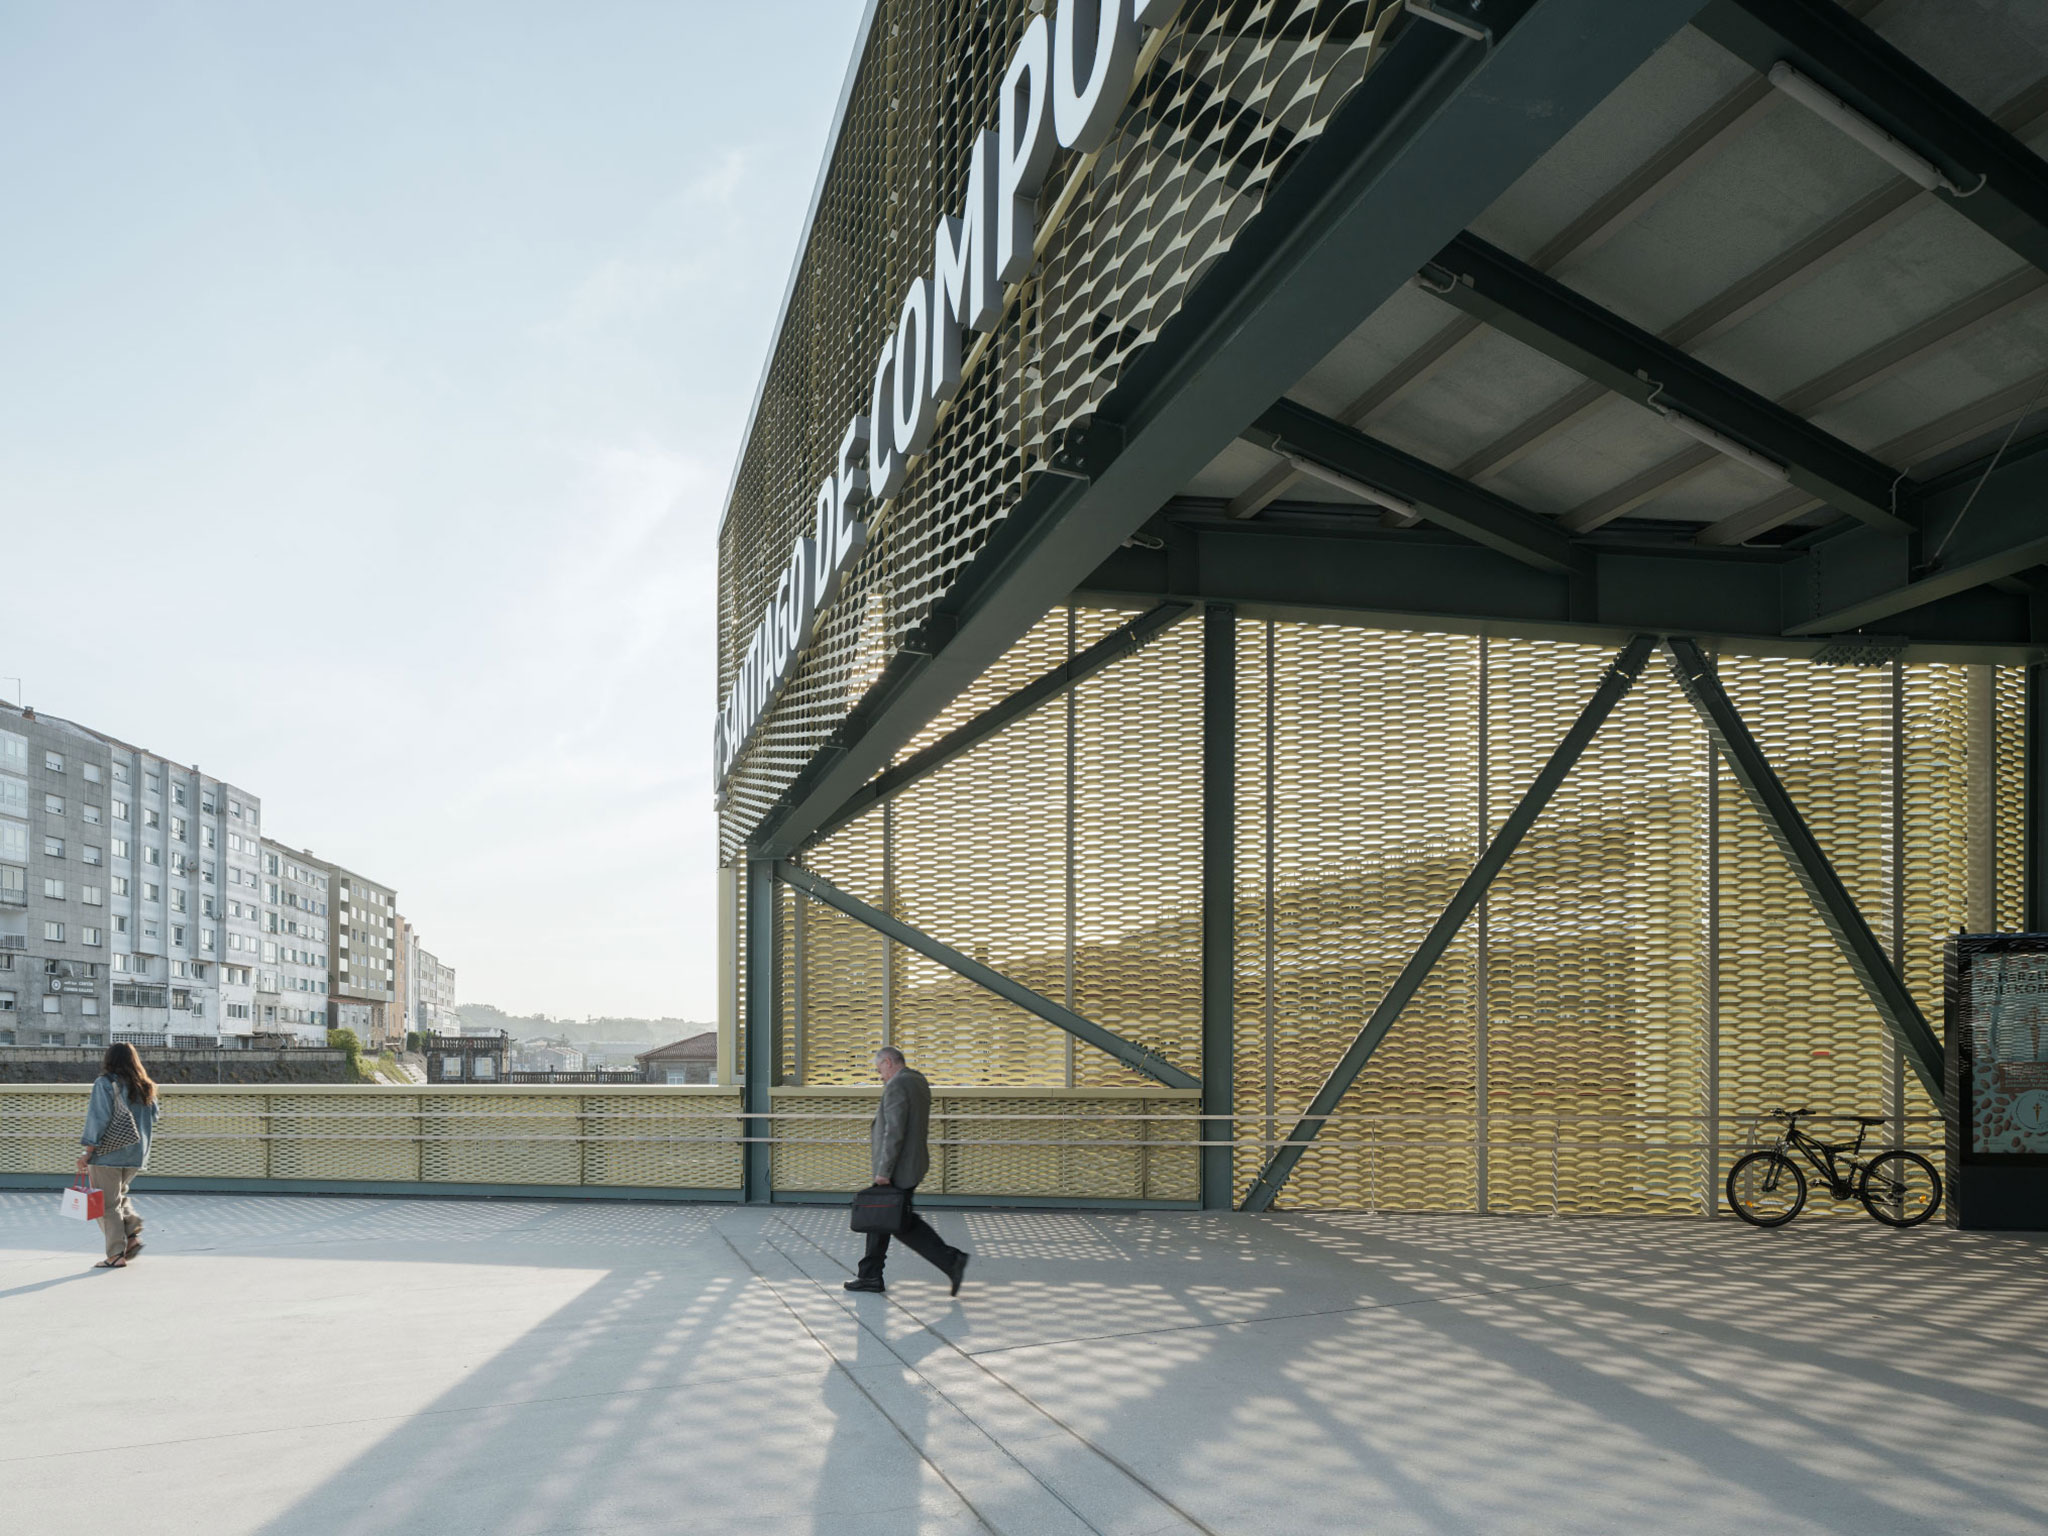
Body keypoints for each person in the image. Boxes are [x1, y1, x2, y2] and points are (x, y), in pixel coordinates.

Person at [845, 1046, 969, 1296]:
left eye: (879, 1069)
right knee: (883, 1220)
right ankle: (870, 1275)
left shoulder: (897, 1085)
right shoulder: (918, 1080)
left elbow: (894, 1132)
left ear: (889, 1062)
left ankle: (950, 1260)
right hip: (913, 1163)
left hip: (898, 1168)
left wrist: (883, 1170)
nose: (880, 1076)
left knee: (894, 1221)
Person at [75, 1041, 160, 1270]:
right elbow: (154, 1117)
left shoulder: (104, 1084)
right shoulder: (146, 1086)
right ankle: (131, 1234)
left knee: (105, 1205)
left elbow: (98, 1119)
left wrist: (87, 1152)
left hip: (107, 1155)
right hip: (135, 1154)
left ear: (109, 1059)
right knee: (117, 1196)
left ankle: (115, 1254)